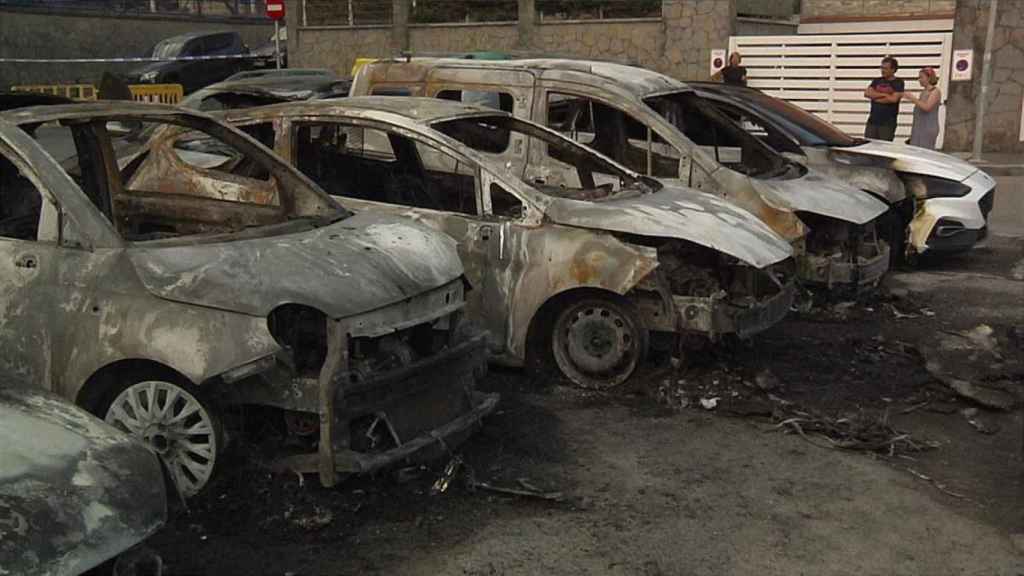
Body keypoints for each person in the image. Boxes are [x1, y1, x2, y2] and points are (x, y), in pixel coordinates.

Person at [863, 56, 904, 141]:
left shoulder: (898, 82)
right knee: (868, 145)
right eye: (881, 68)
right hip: (872, 121)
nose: (883, 70)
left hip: (887, 124)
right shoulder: (876, 81)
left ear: (893, 69)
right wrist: (885, 95)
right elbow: (867, 93)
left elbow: (894, 99)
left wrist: (875, 96)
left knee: (884, 147)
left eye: (885, 68)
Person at [904, 67, 942, 149]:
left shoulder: (935, 91)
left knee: (925, 151)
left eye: (921, 77)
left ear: (928, 78)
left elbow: (927, 107)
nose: (919, 80)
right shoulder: (924, 92)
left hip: (928, 126)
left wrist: (913, 98)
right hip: (919, 126)